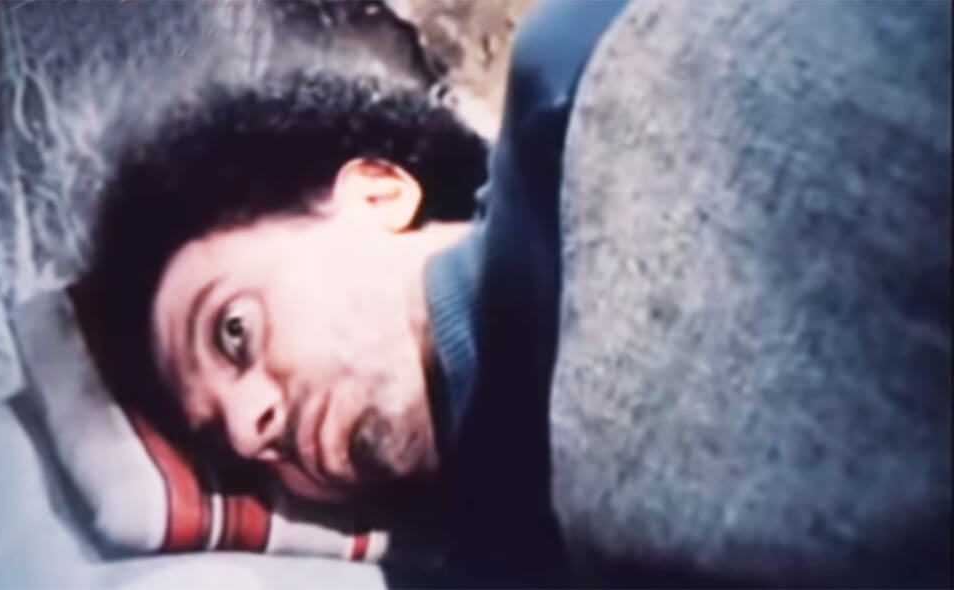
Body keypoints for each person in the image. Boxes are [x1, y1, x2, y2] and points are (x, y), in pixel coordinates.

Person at [86, 1, 628, 582]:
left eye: (234, 331)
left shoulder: (580, 75)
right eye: (223, 449)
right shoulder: (498, 562)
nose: (247, 433)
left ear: (378, 196)